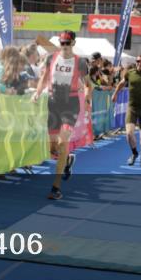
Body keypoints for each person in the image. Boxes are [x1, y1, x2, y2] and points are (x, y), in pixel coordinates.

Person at [32, 30, 90, 199]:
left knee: (62, 142)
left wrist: (87, 98)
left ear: (73, 43)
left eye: (67, 43)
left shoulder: (80, 62)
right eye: (62, 43)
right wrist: (37, 92)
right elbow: (44, 78)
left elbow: (88, 84)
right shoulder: (51, 58)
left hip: (70, 104)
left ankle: (55, 188)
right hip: (53, 103)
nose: (64, 46)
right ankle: (68, 160)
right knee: (52, 148)